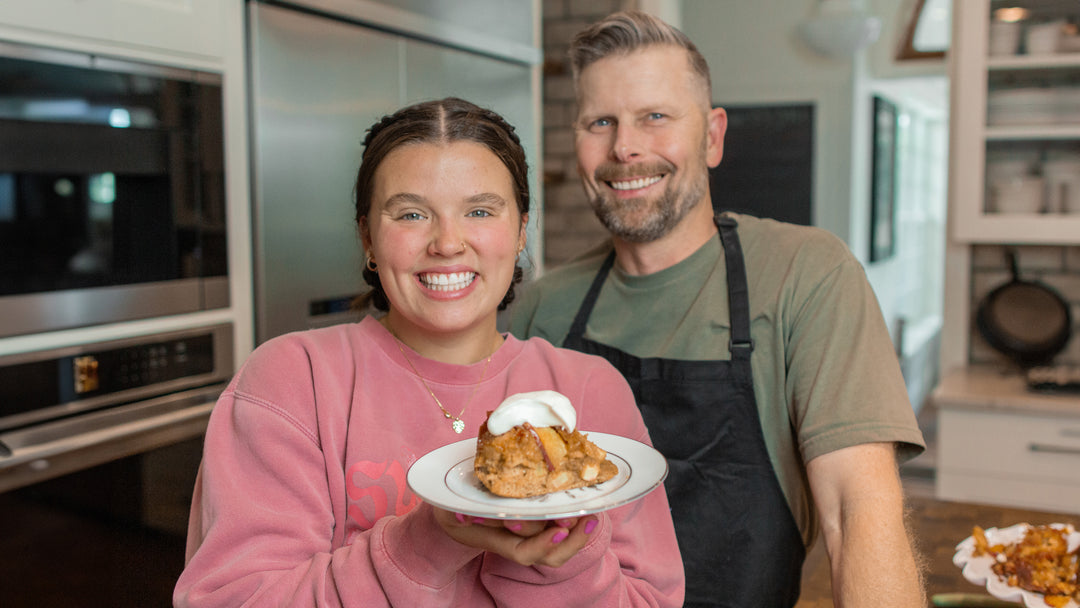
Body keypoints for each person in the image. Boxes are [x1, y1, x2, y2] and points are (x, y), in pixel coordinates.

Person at [175, 97, 684, 607]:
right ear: (368, 237)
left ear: (522, 230)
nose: (447, 243)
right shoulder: (292, 380)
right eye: (412, 213)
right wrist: (424, 543)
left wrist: (561, 555)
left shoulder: (590, 388)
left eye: (480, 210)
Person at [507, 11, 927, 608]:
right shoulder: (543, 307)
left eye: (655, 117)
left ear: (711, 136)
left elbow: (857, 510)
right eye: (601, 121)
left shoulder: (806, 275)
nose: (625, 148)